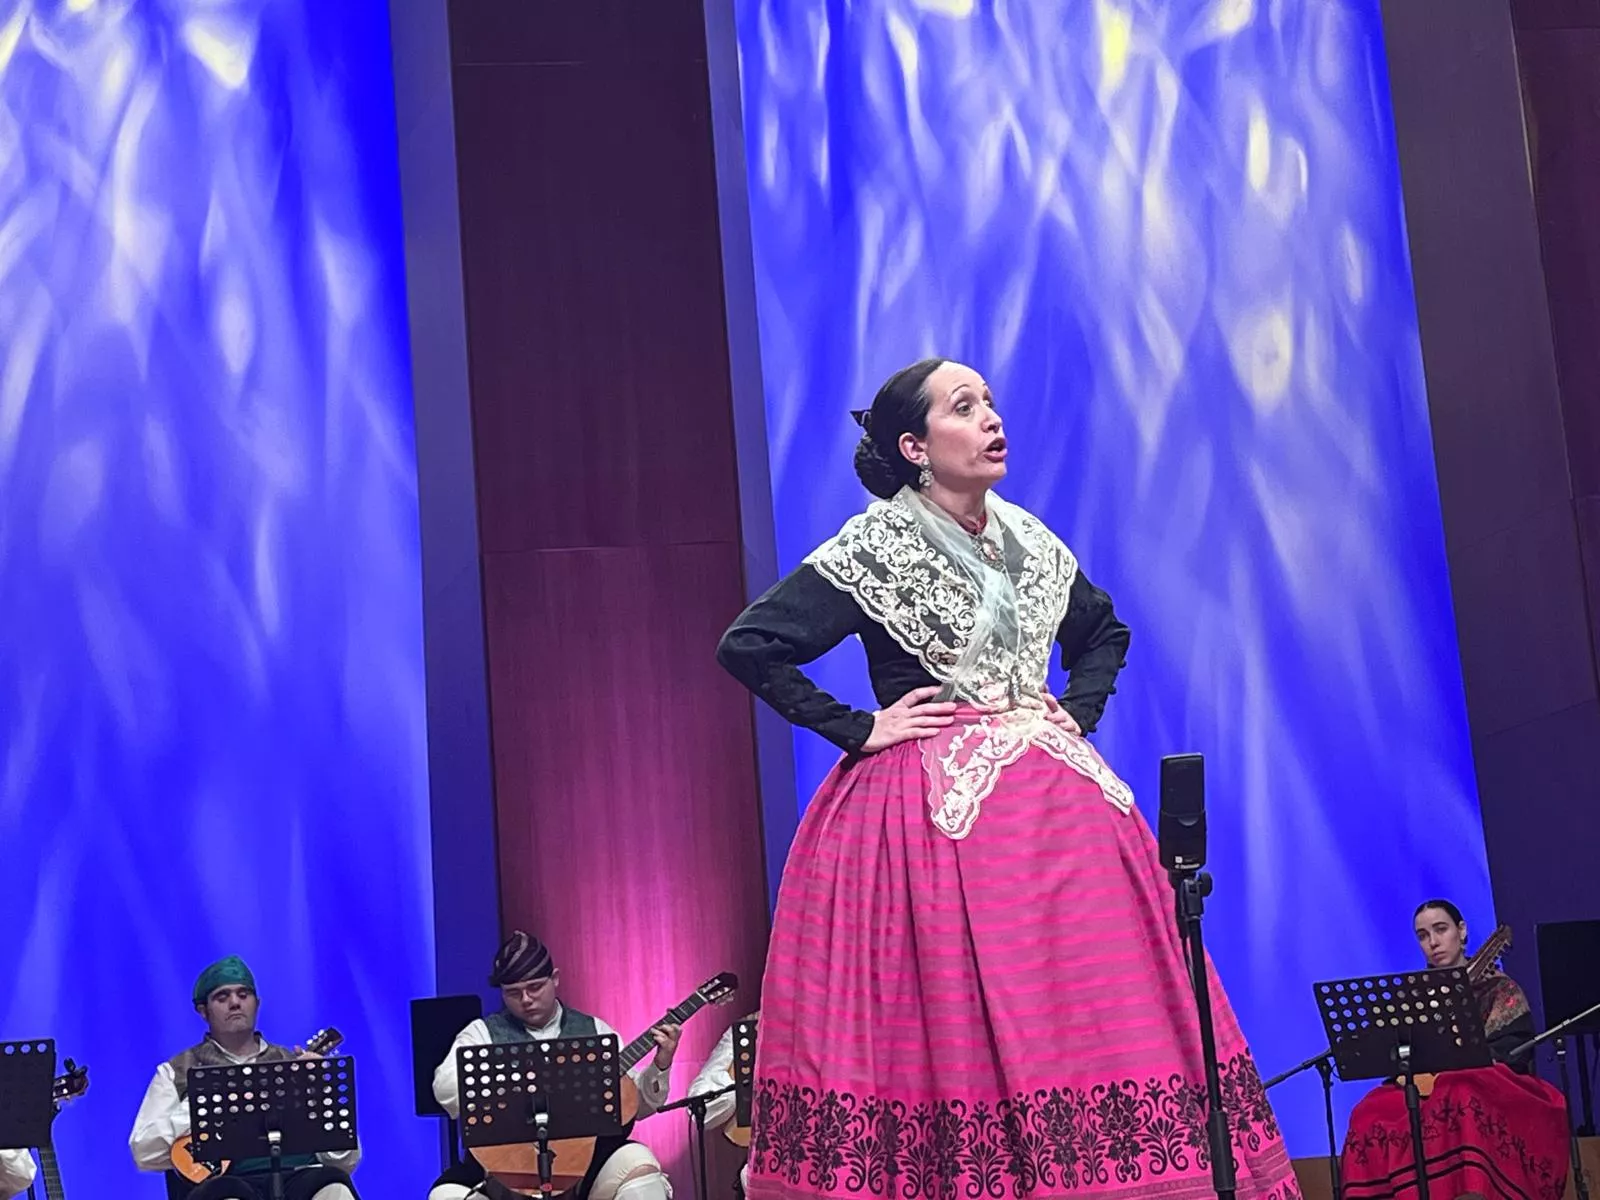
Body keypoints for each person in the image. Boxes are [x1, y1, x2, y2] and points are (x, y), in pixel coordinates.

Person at [717, 357, 1300, 1200]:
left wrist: (1078, 709)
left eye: (990, 401)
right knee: (950, 1027)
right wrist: (859, 726)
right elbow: (750, 642)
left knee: (1099, 1012)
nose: (990, 417)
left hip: (1068, 818)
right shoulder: (879, 549)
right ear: (915, 446)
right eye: (964, 406)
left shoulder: (1029, 541)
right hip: (936, 827)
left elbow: (1103, 631)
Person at [1340, 900, 1571, 1200]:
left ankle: (1469, 1189)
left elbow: (1515, 1051)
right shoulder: (1415, 996)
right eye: (1423, 936)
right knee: (1368, 1109)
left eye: (1440, 929)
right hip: (1428, 1085)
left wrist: (1464, 1057)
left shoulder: (1499, 988)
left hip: (1489, 1083)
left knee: (1457, 1086)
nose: (1433, 942)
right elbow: (1400, 1057)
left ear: (1461, 931)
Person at [429, 931, 681, 1200]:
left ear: (555, 979)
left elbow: (639, 1107)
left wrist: (660, 1066)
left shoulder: (593, 1030)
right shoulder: (480, 1034)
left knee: (640, 1164)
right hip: (505, 1170)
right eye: (513, 993)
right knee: (445, 1196)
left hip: (585, 1169)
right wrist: (522, 1076)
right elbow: (445, 1091)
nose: (526, 999)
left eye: (535, 987)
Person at [129, 955, 360, 1199]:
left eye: (243, 995)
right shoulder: (176, 1071)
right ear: (203, 1011)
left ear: (257, 1004)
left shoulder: (289, 1065)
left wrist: (319, 1093)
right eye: (222, 997)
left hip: (294, 1178)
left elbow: (346, 1161)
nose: (235, 1003)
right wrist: (207, 1105)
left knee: (334, 1186)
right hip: (223, 1184)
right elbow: (143, 1151)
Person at [685, 1014, 758, 1192]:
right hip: (767, 1157)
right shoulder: (750, 1025)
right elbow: (703, 1110)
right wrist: (741, 1075)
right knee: (751, 1175)